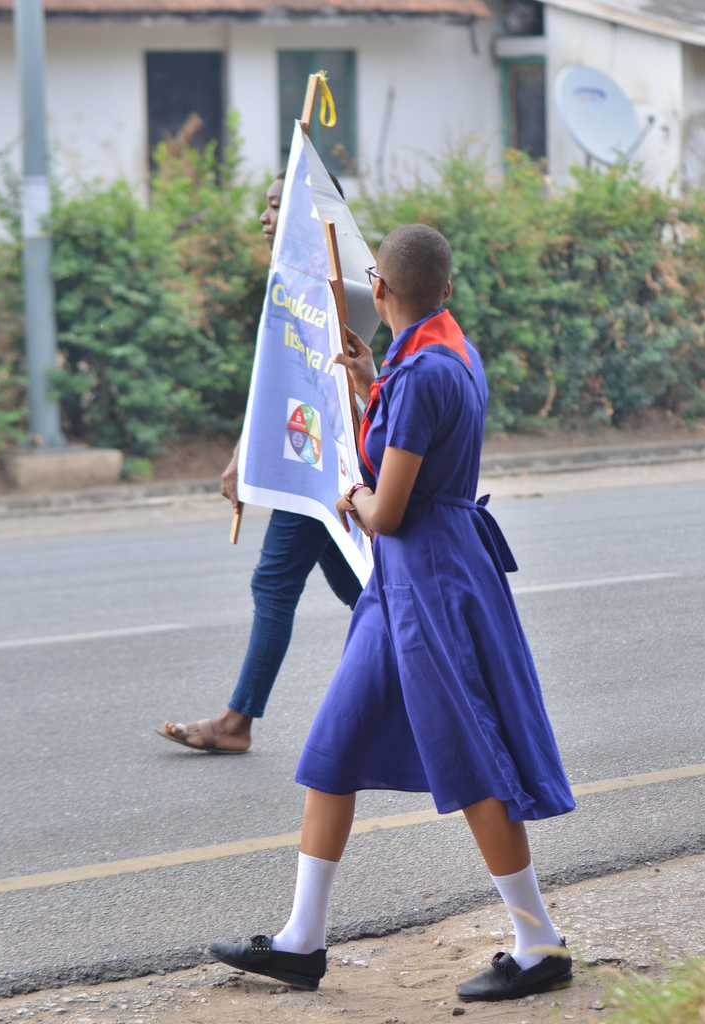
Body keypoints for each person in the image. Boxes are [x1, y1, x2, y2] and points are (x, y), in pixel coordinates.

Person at [207, 225, 577, 1001]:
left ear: (380, 291)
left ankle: (538, 944)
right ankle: (302, 941)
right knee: (333, 746)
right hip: (408, 580)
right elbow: (423, 441)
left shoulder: (421, 376)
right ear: (444, 289)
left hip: (428, 577)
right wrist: (374, 382)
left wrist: (351, 497)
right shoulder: (446, 351)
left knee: (471, 757)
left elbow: (391, 511)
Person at [157, 171, 364, 753]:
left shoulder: (333, 287)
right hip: (310, 465)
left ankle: (236, 722)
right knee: (364, 593)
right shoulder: (291, 282)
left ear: (305, 214)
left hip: (323, 466)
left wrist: (254, 457)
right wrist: (243, 452)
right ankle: (432, 679)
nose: (263, 217)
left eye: (275, 206)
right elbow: (275, 381)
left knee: (273, 583)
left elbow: (326, 388)